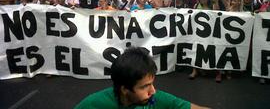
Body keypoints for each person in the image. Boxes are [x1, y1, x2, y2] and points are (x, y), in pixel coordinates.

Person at [75, 47, 209, 109]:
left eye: (151, 84)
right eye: (144, 86)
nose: (153, 91)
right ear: (124, 89)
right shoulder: (92, 105)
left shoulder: (155, 99)